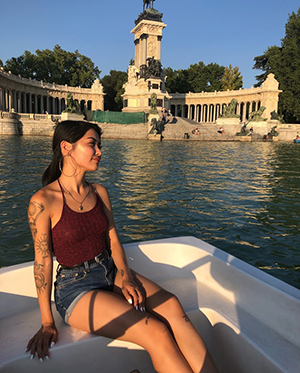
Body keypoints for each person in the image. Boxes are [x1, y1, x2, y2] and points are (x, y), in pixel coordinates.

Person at [26, 120, 219, 373]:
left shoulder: (99, 192)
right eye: (92, 145)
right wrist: (47, 321)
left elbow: (113, 241)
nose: (99, 152)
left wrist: (126, 275)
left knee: (172, 305)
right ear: (66, 147)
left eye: (99, 145)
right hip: (75, 288)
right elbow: (43, 262)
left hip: (110, 271)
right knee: (157, 331)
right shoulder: (43, 201)